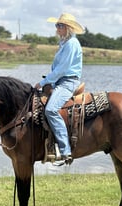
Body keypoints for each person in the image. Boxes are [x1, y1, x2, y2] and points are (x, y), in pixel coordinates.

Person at [35, 13, 85, 166]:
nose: (57, 28)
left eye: (60, 26)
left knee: (50, 110)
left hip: (68, 82)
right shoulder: (64, 43)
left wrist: (44, 81)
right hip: (59, 81)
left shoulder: (71, 44)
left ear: (68, 28)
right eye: (56, 25)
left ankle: (65, 150)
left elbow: (62, 69)